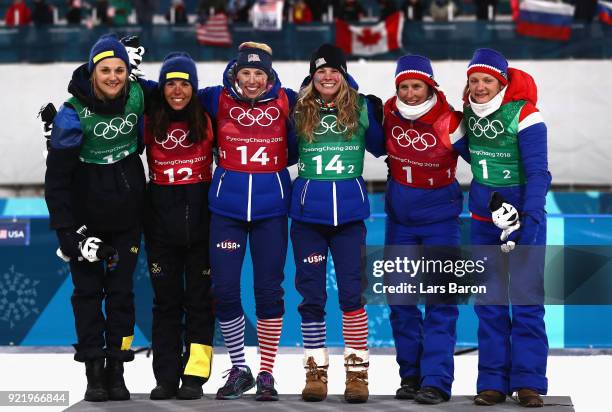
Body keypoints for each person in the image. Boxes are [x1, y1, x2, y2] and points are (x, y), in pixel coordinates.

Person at [44, 34, 146, 402]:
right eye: (105, 69)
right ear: (92, 72)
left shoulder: (138, 95)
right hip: (86, 222)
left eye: (120, 69)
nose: (114, 76)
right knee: (88, 295)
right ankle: (94, 372)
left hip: (128, 219)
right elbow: (56, 181)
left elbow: (176, 93)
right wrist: (66, 233)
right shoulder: (72, 114)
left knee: (122, 295)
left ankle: (117, 369)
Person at [198, 42, 298, 401]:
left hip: (272, 210)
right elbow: (168, 95)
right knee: (224, 290)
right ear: (235, 73)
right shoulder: (215, 99)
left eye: (260, 73)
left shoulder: (288, 100)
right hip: (227, 210)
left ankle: (267, 372)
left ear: (269, 75)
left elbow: (331, 90)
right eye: (246, 73)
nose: (253, 80)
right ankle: (240, 369)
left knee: (269, 292)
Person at [291, 43, 385, 404]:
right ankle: (315, 371)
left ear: (343, 75)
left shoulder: (359, 107)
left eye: (334, 71)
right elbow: (282, 151)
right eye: (320, 72)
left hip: (348, 219)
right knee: (311, 296)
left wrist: (376, 114)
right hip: (308, 220)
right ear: (312, 77)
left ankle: (357, 373)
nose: (327, 77)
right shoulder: (298, 109)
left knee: (351, 296)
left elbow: (379, 147)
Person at [463, 48, 550, 408]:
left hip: (523, 221)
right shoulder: (468, 114)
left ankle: (529, 382)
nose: (480, 87)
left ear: (501, 82)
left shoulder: (527, 116)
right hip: (484, 222)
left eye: (487, 80)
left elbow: (538, 172)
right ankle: (493, 382)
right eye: (474, 80)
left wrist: (529, 218)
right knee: (489, 305)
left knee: (527, 303)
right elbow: (475, 157)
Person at [382, 55, 466, 405]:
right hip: (400, 222)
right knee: (400, 301)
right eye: (404, 86)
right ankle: (411, 376)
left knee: (440, 302)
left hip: (441, 223)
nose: (411, 93)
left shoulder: (451, 121)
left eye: (417, 86)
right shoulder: (388, 114)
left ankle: (436, 380)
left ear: (430, 86)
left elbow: (486, 157)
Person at [140, 53, 216, 400]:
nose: (177, 89)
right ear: (162, 86)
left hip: (202, 228)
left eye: (185, 83)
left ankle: (195, 375)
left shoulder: (207, 118)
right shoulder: (148, 119)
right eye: (170, 82)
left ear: (193, 87)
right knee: (166, 304)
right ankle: (166, 376)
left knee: (200, 303)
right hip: (161, 230)